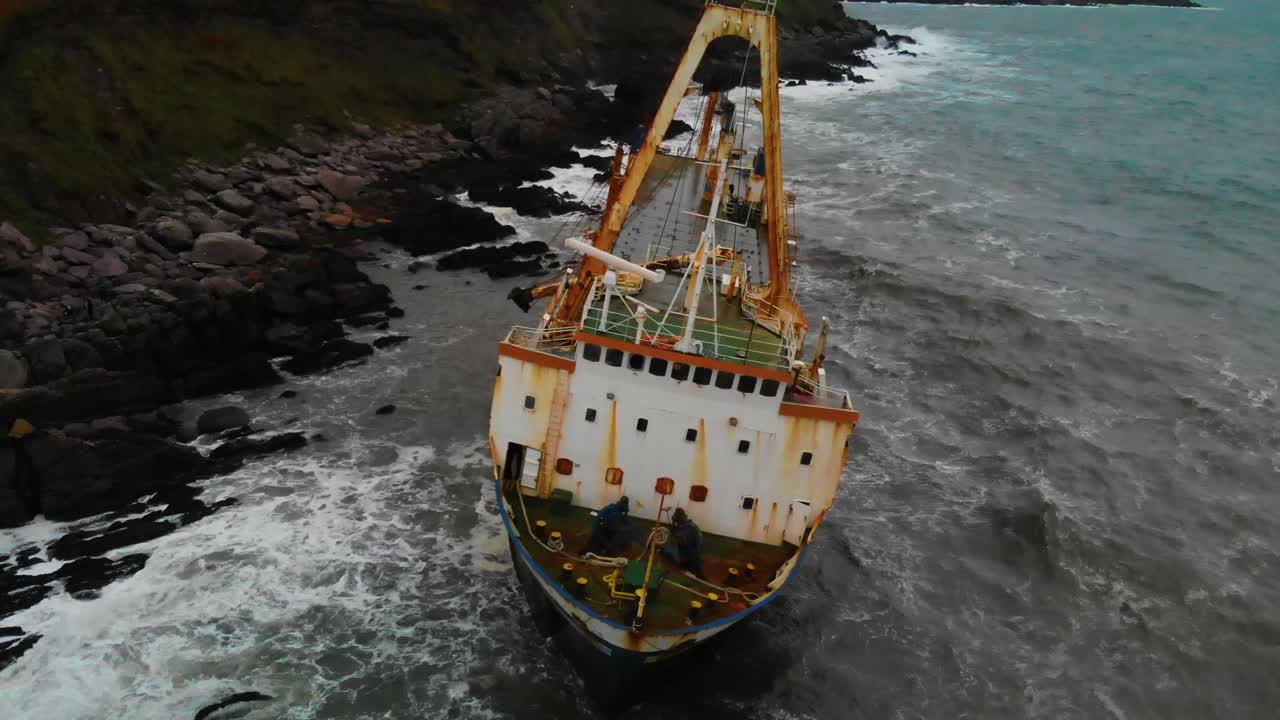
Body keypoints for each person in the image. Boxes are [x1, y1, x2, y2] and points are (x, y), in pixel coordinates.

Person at [663, 508, 703, 578]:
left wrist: (677, 538)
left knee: (675, 550)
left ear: (680, 518)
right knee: (668, 550)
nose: (676, 522)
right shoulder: (683, 524)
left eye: (676, 520)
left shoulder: (690, 528)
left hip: (691, 552)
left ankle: (693, 571)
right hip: (687, 549)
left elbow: (685, 542)